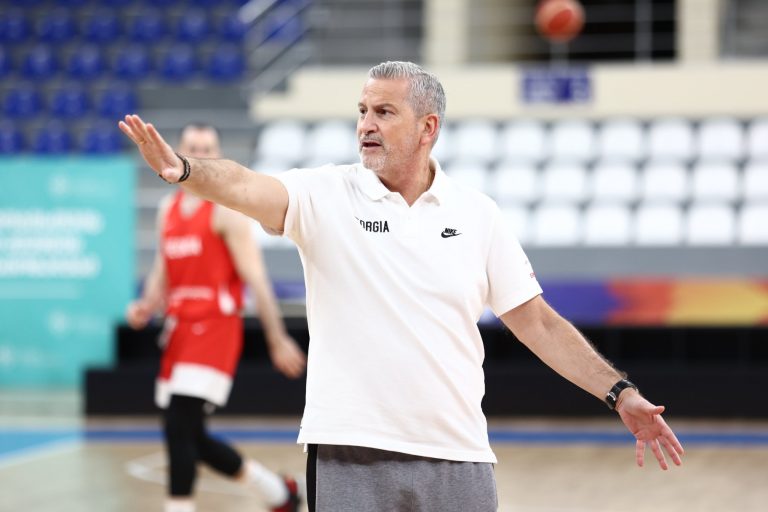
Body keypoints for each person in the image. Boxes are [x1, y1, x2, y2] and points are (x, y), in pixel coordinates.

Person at [119, 62, 684, 512]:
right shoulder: (323, 195)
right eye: (362, 111)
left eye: (384, 112)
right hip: (349, 454)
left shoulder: (477, 214)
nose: (366, 124)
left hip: (459, 456)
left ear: (427, 128)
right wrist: (185, 170)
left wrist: (619, 392)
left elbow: (538, 323)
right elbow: (244, 183)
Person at [125, 123, 307, 512]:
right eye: (193, 146)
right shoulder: (169, 210)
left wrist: (276, 338)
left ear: (219, 154)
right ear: (178, 151)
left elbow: (257, 279)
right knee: (191, 435)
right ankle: (278, 492)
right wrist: (146, 304)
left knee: (177, 426)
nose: (201, 153)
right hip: (179, 330)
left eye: (209, 148)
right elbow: (162, 270)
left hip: (214, 330)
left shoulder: (226, 212)